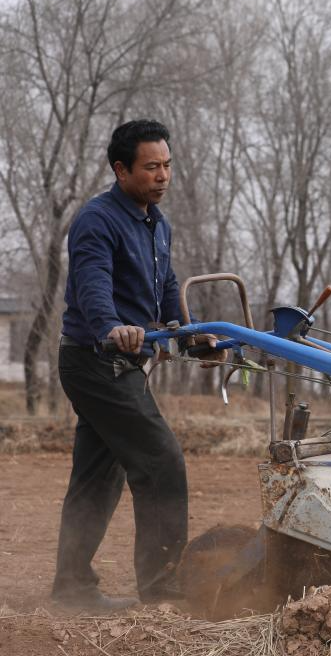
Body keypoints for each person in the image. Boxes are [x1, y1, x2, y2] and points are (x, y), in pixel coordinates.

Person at [52, 119, 224, 612]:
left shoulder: (156, 223)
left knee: (97, 475)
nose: (163, 176)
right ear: (121, 169)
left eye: (167, 165)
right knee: (160, 461)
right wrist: (112, 326)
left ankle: (70, 588)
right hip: (95, 359)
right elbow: (93, 284)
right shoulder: (97, 220)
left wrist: (191, 335)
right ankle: (163, 588)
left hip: (120, 364)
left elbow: (167, 288)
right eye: (151, 167)